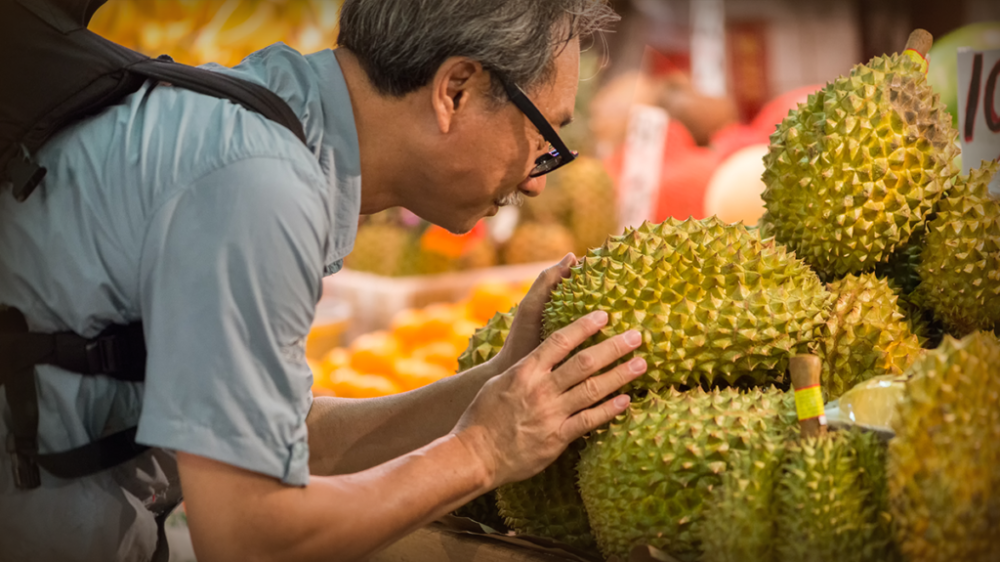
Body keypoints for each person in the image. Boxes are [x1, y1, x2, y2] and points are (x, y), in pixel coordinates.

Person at [0, 1, 642, 561]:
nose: (538, 179)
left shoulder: (270, 114)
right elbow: (250, 536)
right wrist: (482, 454)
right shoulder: (259, 184)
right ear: (456, 90)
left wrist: (497, 382)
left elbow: (284, 443)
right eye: (543, 140)